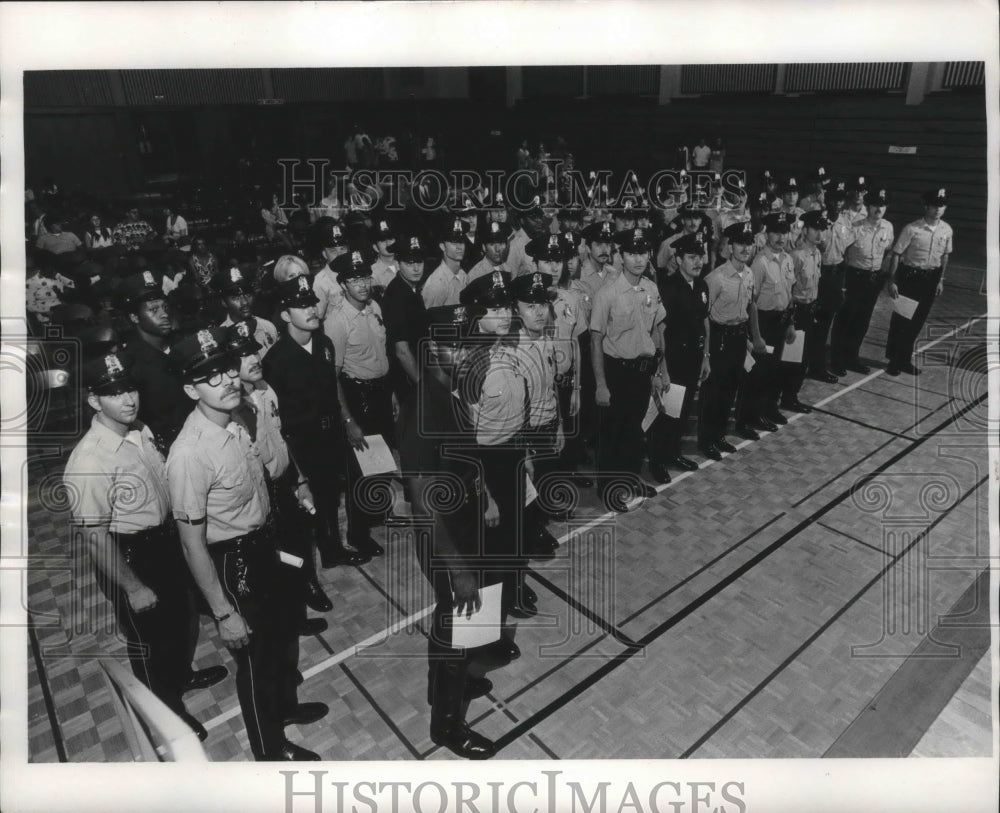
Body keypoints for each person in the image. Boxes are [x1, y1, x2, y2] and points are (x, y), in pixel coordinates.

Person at [166, 327, 326, 761]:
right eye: (211, 377)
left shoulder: (236, 421)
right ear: (191, 390)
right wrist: (223, 612)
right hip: (234, 563)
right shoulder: (190, 454)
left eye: (227, 370)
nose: (228, 381)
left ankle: (285, 708)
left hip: (266, 546)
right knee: (256, 662)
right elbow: (191, 545)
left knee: (282, 640)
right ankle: (269, 753)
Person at [63, 351, 227, 743]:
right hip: (131, 556)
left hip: (163, 542)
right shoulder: (89, 461)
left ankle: (180, 677)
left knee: (179, 620)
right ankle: (167, 715)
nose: (128, 399)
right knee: (150, 642)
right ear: (93, 400)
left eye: (130, 388)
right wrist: (133, 587)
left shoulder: (138, 429)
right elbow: (95, 536)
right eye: (114, 393)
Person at [397, 304, 497, 759]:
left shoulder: (450, 391)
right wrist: (457, 568)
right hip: (445, 537)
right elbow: (423, 504)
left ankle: (446, 686)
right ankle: (447, 726)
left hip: (465, 522)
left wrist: (485, 495)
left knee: (455, 619)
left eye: (468, 345)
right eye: (454, 345)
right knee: (459, 618)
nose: (465, 354)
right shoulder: (425, 406)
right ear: (432, 348)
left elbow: (465, 459)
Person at [225, 320, 333, 619]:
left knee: (299, 539)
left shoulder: (265, 388)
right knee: (273, 556)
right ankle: (290, 612)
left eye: (253, 352)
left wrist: (301, 480)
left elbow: (282, 437)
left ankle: (307, 586)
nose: (254, 359)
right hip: (259, 492)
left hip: (284, 480)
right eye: (243, 356)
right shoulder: (231, 409)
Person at [262, 276, 371, 570]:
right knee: (313, 501)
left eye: (311, 303)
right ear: (286, 315)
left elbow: (332, 386)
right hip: (301, 441)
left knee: (333, 494)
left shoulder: (324, 343)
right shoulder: (275, 360)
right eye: (301, 306)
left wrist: (346, 420)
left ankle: (336, 546)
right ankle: (322, 555)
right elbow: (275, 416)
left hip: (331, 431)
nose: (311, 310)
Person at [590, 227, 668, 512]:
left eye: (643, 253)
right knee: (612, 433)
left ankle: (629, 479)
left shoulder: (651, 289)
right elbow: (596, 340)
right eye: (632, 253)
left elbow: (656, 331)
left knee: (635, 432)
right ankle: (608, 489)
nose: (638, 259)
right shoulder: (607, 294)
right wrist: (601, 384)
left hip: (642, 371)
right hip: (616, 372)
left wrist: (659, 371)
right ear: (620, 256)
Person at [325, 249, 393, 558]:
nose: (363, 285)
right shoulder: (337, 322)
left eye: (365, 277)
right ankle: (358, 534)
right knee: (359, 472)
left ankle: (374, 515)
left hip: (380, 393)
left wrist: (391, 394)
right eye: (354, 280)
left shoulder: (374, 307)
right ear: (342, 285)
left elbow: (381, 355)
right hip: (356, 397)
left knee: (380, 464)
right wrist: (348, 419)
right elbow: (332, 376)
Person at [648, 232, 710, 481]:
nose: (698, 262)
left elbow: (704, 323)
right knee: (666, 415)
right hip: (673, 361)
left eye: (700, 257)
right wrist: (662, 369)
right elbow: (659, 332)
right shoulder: (668, 288)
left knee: (682, 413)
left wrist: (705, 357)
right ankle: (657, 462)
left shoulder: (702, 286)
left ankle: (673, 453)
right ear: (679, 259)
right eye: (692, 257)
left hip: (693, 359)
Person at [698, 221, 758, 460]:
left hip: (738, 338)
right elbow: (703, 316)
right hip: (719, 339)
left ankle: (719, 435)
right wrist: (706, 351)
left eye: (749, 244)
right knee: (713, 392)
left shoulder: (750, 273)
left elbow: (748, 307)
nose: (745, 249)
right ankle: (706, 440)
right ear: (730, 247)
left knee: (730, 391)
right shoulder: (716, 278)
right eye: (740, 244)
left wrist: (748, 338)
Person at [117, 271, 192, 452]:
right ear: (134, 317)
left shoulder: (184, 345)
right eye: (153, 310)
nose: (164, 314)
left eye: (165, 307)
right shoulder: (130, 363)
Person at [884, 188, 953, 376]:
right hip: (910, 278)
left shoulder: (947, 230)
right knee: (902, 320)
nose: (938, 209)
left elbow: (945, 256)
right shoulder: (912, 229)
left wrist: (940, 280)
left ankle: (904, 360)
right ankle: (893, 361)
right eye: (934, 206)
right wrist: (892, 280)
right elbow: (896, 255)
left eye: (941, 206)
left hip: (930, 279)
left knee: (917, 323)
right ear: (926, 207)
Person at [742, 211, 798, 436]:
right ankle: (752, 415)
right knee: (759, 373)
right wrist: (756, 336)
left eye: (784, 232)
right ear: (767, 234)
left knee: (776, 370)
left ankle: (770, 408)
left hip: (781, 322)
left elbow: (790, 294)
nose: (781, 237)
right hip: (763, 323)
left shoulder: (788, 260)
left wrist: (791, 323)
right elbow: (751, 303)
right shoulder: (759, 263)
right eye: (776, 232)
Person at [829, 188, 894, 376]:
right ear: (868, 206)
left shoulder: (888, 227)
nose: (879, 209)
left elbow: (887, 250)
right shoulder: (855, 227)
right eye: (875, 205)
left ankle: (852, 357)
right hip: (854, 278)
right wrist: (842, 281)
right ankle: (836, 360)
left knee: (862, 321)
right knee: (845, 319)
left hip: (873, 280)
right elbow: (841, 252)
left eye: (882, 205)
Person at [783, 210, 831, 413]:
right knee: (792, 358)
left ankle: (791, 395)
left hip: (810, 310)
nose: (820, 234)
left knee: (803, 358)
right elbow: (788, 290)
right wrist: (790, 318)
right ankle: (787, 397)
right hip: (797, 311)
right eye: (815, 229)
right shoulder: (796, 256)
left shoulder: (817, 254)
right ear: (805, 230)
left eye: (822, 229)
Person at [809, 183, 853, 383]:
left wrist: (842, 283)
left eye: (841, 199)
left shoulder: (846, 223)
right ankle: (811, 365)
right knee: (814, 323)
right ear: (827, 200)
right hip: (819, 274)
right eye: (834, 199)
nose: (837, 203)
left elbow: (846, 253)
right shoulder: (818, 221)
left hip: (836, 274)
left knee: (827, 322)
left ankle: (819, 365)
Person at [382, 234, 430, 408]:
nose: (416, 268)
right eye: (409, 264)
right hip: (408, 377)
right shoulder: (397, 295)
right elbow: (402, 351)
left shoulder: (410, 289)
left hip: (418, 368)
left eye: (419, 262)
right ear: (398, 264)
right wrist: (422, 384)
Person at [212, 266, 278, 356]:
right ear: (224, 302)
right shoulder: (221, 340)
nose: (245, 302)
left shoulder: (267, 327)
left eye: (247, 295)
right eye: (236, 298)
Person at [422, 218, 469, 308]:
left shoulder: (463, 275)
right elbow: (429, 316)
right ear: (442, 246)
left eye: (461, 242)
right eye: (454, 242)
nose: (459, 247)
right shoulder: (436, 283)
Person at [578, 220, 619, 301]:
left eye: (607, 244)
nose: (604, 250)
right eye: (599, 245)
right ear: (588, 248)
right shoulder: (580, 275)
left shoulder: (614, 273)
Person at [467, 219, 514, 283]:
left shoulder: (508, 269)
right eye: (492, 244)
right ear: (484, 247)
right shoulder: (475, 275)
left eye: (501, 243)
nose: (497, 249)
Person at [369, 219, 398, 299]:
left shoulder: (405, 265)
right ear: (375, 247)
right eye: (382, 241)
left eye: (390, 238)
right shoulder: (372, 273)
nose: (388, 243)